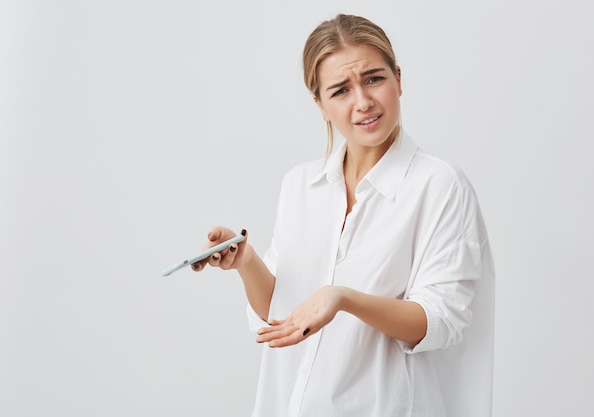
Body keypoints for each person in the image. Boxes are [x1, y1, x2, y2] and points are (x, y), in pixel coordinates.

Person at [192, 13, 495, 417]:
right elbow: (282, 318)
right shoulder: (300, 186)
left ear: (398, 79)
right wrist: (246, 261)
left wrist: (344, 298)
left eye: (374, 79)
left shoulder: (439, 185)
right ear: (320, 105)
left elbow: (441, 321)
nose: (363, 102)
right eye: (340, 90)